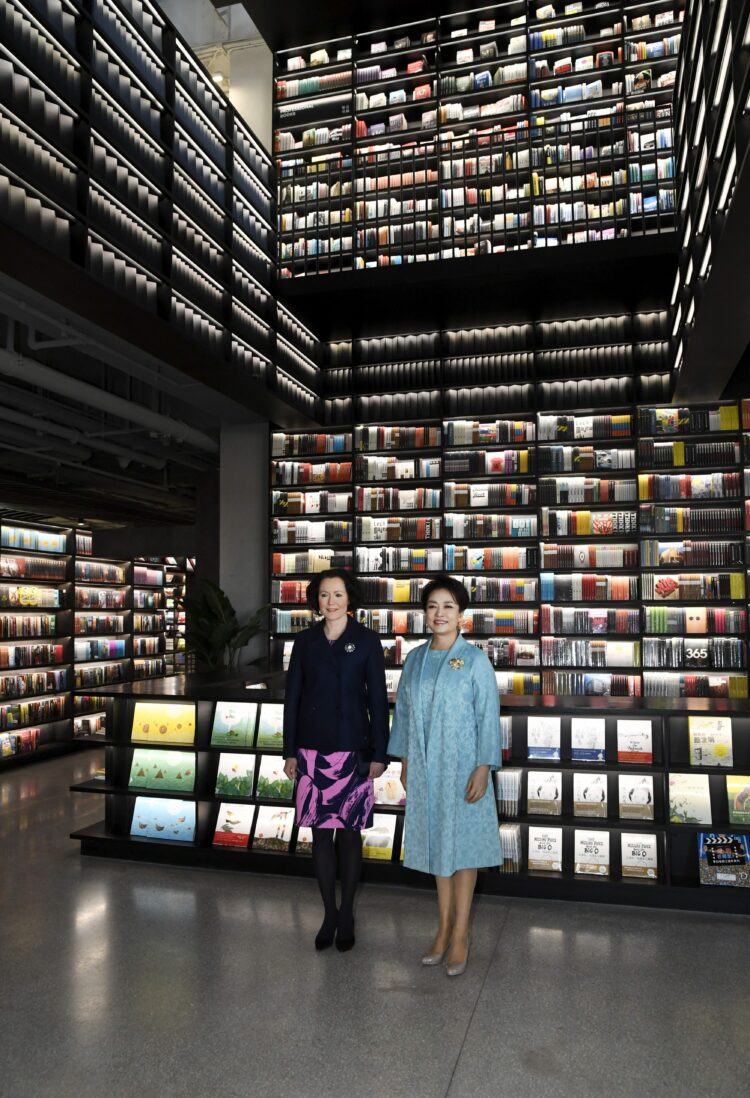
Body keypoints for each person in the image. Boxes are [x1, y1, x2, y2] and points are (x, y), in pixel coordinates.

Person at [388, 574, 501, 977]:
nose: (439, 614)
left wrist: (484, 765)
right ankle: (442, 927)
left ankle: (461, 934)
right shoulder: (415, 658)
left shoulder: (474, 660)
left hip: (464, 766)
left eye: (448, 607)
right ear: (424, 612)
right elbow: (402, 712)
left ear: (462, 616)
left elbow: (488, 717)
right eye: (433, 606)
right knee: (438, 845)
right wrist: (402, 760)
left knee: (463, 847)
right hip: (424, 765)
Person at [283, 568, 388, 952]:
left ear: (350, 599)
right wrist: (289, 750)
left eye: (338, 595)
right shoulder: (304, 641)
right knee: (320, 836)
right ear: (316, 600)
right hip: (311, 750)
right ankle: (329, 912)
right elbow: (292, 699)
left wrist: (380, 753)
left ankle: (348, 914)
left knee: (349, 835)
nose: (331, 602)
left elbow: (378, 701)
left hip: (352, 751)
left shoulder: (366, 641)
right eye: (325, 595)